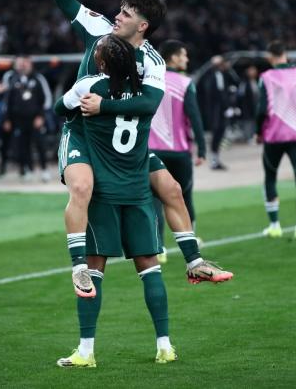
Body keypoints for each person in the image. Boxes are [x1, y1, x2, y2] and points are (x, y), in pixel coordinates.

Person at [54, 0, 232, 297]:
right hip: (85, 134)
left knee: (171, 188)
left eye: (126, 13)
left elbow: (150, 104)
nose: (117, 16)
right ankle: (79, 269)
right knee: (82, 187)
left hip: (124, 141)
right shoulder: (99, 29)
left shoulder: (152, 60)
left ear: (143, 26)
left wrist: (105, 105)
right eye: (120, 10)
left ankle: (195, 261)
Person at [54, 34, 176, 367]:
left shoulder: (90, 87)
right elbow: (149, 104)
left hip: (104, 192)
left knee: (92, 271)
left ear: (102, 62)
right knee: (150, 268)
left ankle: (86, 351)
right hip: (137, 192)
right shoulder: (144, 95)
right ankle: (165, 346)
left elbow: (59, 109)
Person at [149, 40, 207, 258]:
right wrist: (202, 149)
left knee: (155, 199)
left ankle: (159, 248)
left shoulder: (149, 80)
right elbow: (194, 117)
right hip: (179, 151)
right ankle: (191, 241)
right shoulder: (185, 82)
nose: (187, 59)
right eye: (183, 55)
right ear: (173, 57)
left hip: (153, 150)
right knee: (184, 196)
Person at [256, 42, 296, 241]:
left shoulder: (266, 77)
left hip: (274, 136)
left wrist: (258, 132)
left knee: (270, 177)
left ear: (270, 56)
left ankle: (275, 225)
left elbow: (261, 109)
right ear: (285, 54)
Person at [3, 56, 52, 182]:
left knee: (40, 144)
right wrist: (7, 119)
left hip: (35, 118)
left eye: (25, 63)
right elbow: (8, 101)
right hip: (19, 119)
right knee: (23, 145)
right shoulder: (13, 79)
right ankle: (28, 169)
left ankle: (44, 170)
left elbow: (46, 99)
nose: (23, 66)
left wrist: (41, 116)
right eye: (21, 63)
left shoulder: (38, 78)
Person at [202, 55, 238, 170]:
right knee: (217, 135)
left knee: (218, 135)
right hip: (217, 112)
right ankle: (214, 161)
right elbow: (219, 94)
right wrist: (226, 107)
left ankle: (215, 160)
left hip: (217, 111)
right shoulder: (217, 76)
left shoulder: (220, 75)